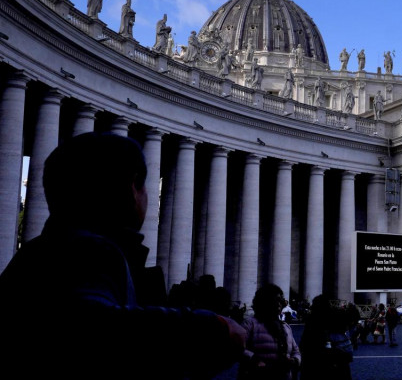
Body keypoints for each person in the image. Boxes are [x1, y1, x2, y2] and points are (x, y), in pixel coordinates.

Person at [0, 132, 245, 379]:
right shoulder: (90, 251)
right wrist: (213, 328)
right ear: (133, 186)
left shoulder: (40, 251)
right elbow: (91, 330)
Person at [241, 283, 300, 379]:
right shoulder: (250, 324)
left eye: (280, 300)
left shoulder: (286, 327)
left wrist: (294, 360)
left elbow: (296, 351)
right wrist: (254, 360)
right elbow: (237, 348)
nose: (279, 304)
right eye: (275, 300)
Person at [300, 295, 352, 380]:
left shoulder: (312, 321)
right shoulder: (335, 319)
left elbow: (305, 345)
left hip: (314, 364)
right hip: (335, 363)